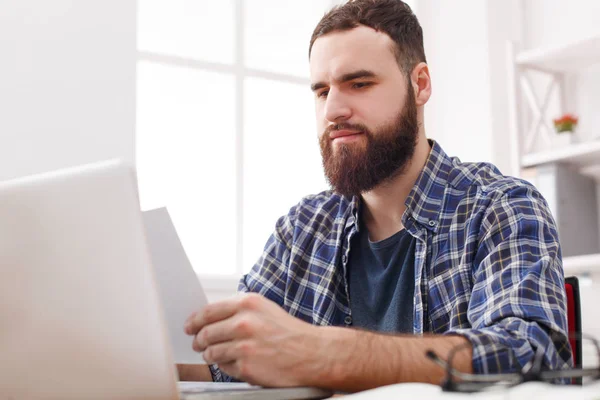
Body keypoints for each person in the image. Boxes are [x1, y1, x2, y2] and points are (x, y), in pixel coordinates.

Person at [177, 0, 572, 392]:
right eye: (320, 91)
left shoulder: (499, 206)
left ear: (420, 84)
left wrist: (327, 354)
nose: (333, 109)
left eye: (359, 83)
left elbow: (531, 354)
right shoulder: (301, 229)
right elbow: (224, 368)